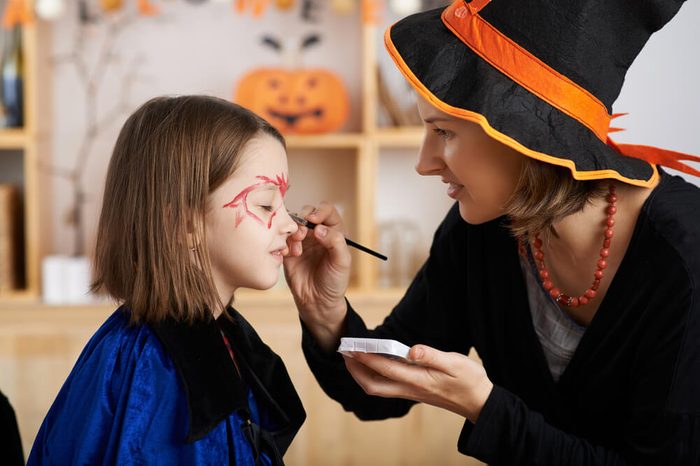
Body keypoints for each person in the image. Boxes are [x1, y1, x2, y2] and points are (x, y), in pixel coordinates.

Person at [283, 0, 700, 464]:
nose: (425, 164)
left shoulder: (686, 259)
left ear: (525, 138)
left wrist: (484, 408)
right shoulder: (481, 229)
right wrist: (324, 311)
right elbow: (381, 390)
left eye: (443, 133)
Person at [28, 96, 305, 465]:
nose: (290, 225)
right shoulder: (155, 371)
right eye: (266, 205)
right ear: (185, 224)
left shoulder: (219, 336)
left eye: (285, 205)